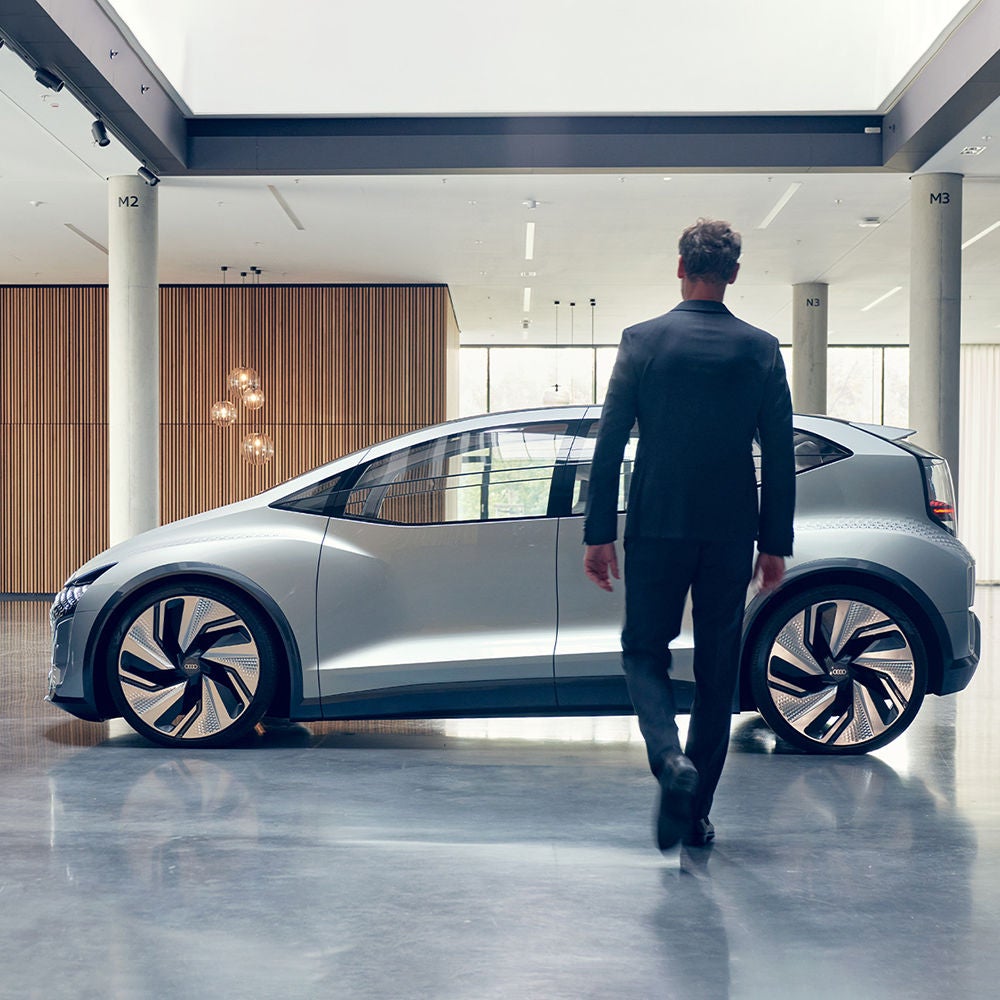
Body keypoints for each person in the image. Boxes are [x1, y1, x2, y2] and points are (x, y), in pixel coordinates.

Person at [583, 218, 795, 851]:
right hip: (731, 531)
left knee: (644, 651)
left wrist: (600, 533)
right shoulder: (760, 349)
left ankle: (669, 761)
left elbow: (611, 440)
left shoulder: (641, 341)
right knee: (717, 669)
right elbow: (779, 454)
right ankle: (696, 810)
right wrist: (774, 543)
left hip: (655, 524)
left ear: (680, 267)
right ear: (733, 274)